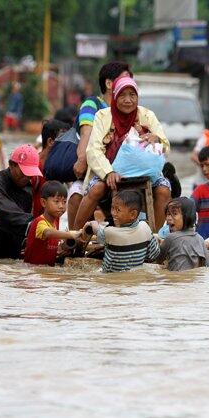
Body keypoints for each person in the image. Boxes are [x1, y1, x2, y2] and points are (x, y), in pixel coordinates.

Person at [73, 76, 171, 231]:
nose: (128, 100)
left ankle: (154, 237)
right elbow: (93, 150)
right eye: (122, 95)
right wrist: (109, 172)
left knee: (164, 190)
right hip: (109, 171)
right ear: (115, 96)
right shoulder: (102, 116)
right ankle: (75, 235)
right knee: (96, 188)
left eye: (132, 95)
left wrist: (156, 138)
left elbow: (166, 145)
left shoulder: (147, 115)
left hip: (146, 173)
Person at [69, 62, 132, 229]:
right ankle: (74, 238)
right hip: (97, 169)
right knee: (79, 192)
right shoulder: (93, 104)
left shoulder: (131, 110)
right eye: (124, 79)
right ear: (109, 84)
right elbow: (86, 133)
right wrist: (82, 158)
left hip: (123, 171)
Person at [0, 144, 43, 260]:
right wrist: (39, 225)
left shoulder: (28, 187)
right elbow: (8, 213)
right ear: (11, 165)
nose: (26, 177)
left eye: (30, 174)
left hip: (13, 254)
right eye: (23, 173)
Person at [85, 190, 160, 273]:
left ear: (132, 214)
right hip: (135, 279)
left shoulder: (110, 233)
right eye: (112, 208)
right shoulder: (145, 227)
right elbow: (154, 254)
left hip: (110, 278)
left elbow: (97, 230)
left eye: (118, 210)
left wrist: (92, 223)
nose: (113, 213)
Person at [24, 181, 81, 266]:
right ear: (43, 202)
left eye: (64, 202)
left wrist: (60, 249)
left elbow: (48, 248)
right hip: (33, 273)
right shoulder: (40, 222)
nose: (61, 206)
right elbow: (48, 233)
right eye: (56, 201)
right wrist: (71, 235)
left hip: (45, 272)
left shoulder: (54, 224)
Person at [157, 197, 209, 271]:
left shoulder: (171, 238)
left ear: (187, 216)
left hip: (175, 279)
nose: (168, 218)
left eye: (174, 214)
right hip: (195, 280)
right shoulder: (200, 239)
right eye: (168, 214)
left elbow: (158, 260)